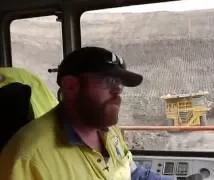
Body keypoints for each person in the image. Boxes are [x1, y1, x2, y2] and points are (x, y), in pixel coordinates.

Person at [0, 47, 174, 180]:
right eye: (109, 82)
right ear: (70, 86)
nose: (118, 92)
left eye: (120, 84)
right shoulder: (28, 158)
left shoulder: (109, 132)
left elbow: (133, 173)